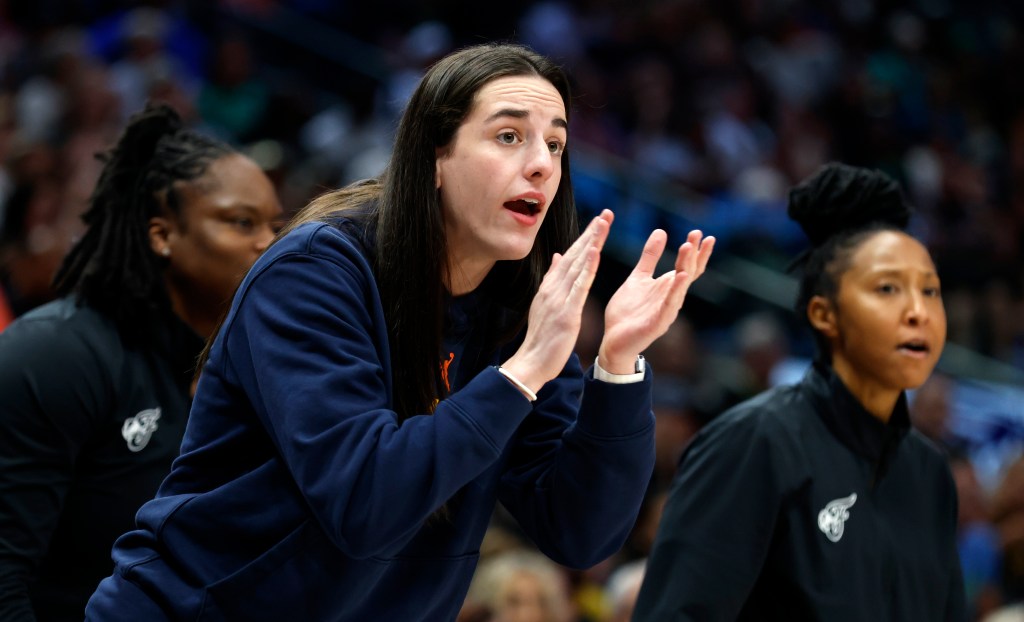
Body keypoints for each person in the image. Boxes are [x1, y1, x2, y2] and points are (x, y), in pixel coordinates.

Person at [85, 42, 715, 621]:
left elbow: (580, 533)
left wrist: (617, 364)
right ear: (435, 155)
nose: (541, 166)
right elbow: (365, 505)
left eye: (554, 144)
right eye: (508, 136)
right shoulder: (318, 273)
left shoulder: (518, 312)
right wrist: (521, 372)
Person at [633, 162, 966, 620]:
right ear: (823, 314)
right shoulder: (753, 443)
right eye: (887, 288)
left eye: (930, 291)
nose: (918, 312)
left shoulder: (930, 475)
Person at [0, 102, 282, 621]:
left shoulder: (257, 369)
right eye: (241, 222)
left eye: (273, 225)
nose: (267, 245)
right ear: (162, 234)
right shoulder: (54, 355)